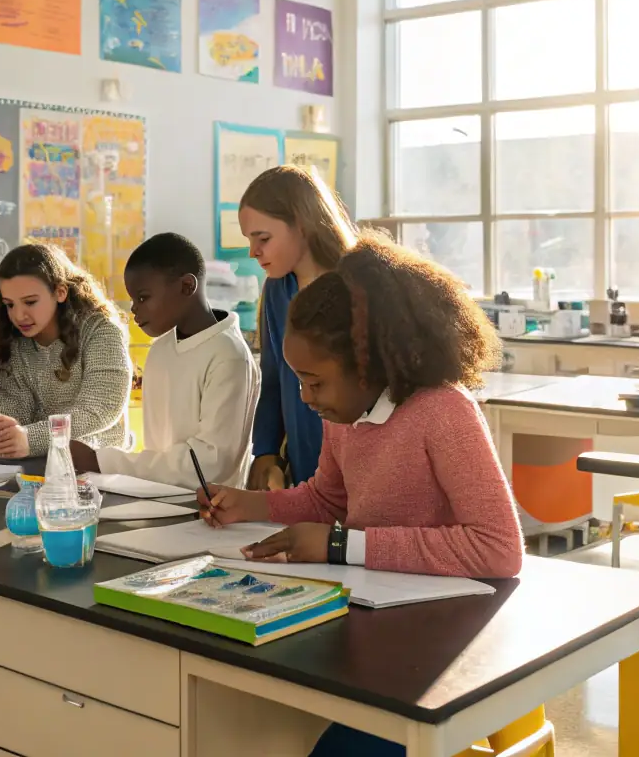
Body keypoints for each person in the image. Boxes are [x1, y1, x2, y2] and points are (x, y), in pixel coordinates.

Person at [199, 235, 525, 757]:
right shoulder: (346, 413)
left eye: (315, 383)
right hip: (372, 619)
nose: (305, 399)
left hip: (438, 641)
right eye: (299, 380)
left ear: (369, 367)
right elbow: (330, 502)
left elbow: (498, 548)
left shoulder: (443, 411)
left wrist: (340, 546)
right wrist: (251, 504)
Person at [70, 232, 259, 489]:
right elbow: (157, 452)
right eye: (133, 299)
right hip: (159, 500)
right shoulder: (160, 350)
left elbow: (209, 465)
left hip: (210, 510)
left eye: (143, 297)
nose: (134, 309)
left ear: (186, 287)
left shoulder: (229, 356)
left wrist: (101, 460)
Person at [239, 166, 357, 490]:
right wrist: (265, 453)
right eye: (250, 240)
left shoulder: (357, 285)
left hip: (358, 468)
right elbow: (274, 376)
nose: (253, 252)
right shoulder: (277, 289)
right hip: (305, 470)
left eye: (263, 239)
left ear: (302, 226)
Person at [0, 243, 132, 459]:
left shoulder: (101, 331)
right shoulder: (14, 343)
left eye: (30, 302)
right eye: (9, 304)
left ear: (60, 292)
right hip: (38, 469)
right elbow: (9, 418)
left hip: (100, 467)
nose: (19, 315)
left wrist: (30, 437)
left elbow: (99, 410)